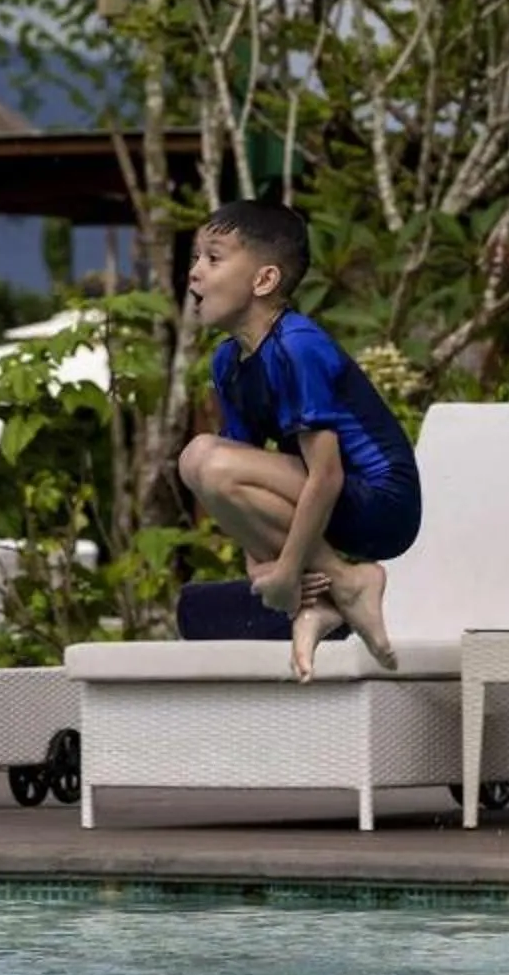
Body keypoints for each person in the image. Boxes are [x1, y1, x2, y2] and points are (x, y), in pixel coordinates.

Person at [179, 198, 422, 680]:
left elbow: (327, 474)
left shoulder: (298, 347)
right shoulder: (228, 363)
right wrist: (258, 563)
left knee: (203, 457)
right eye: (195, 259)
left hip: (381, 502)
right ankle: (332, 597)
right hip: (326, 501)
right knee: (205, 465)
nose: (194, 273)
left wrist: (288, 570)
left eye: (213, 258)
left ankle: (351, 582)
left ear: (264, 280)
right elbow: (241, 474)